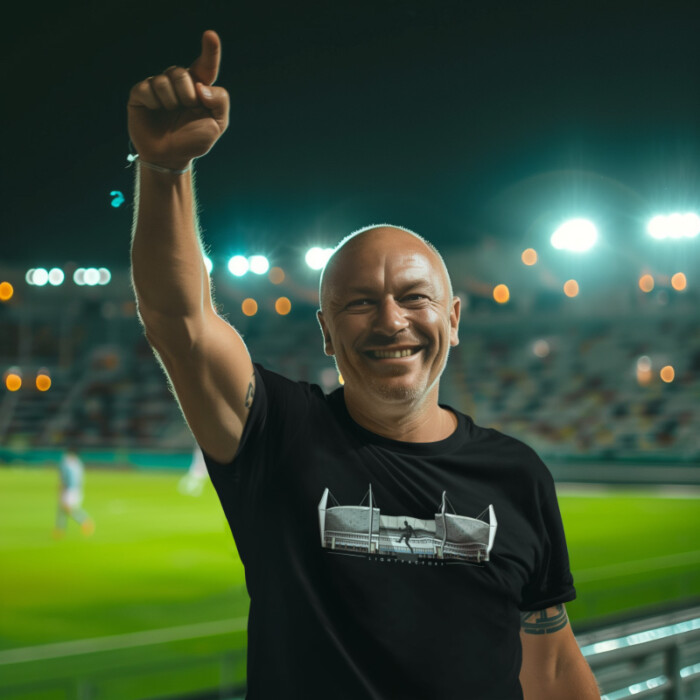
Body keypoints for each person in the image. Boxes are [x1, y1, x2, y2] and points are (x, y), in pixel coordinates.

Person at [128, 30, 599, 699]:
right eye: (359, 303)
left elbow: (550, 664)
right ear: (325, 331)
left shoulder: (518, 476)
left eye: (414, 298)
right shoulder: (278, 437)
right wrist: (165, 172)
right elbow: (180, 324)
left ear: (454, 320)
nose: (390, 321)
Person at [53, 448, 94, 538]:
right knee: (62, 508)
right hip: (75, 488)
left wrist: (62, 486)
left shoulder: (67, 462)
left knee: (67, 508)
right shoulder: (77, 463)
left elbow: (65, 476)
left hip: (70, 489)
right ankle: (59, 529)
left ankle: (84, 521)